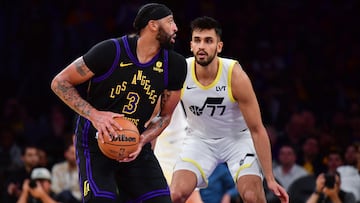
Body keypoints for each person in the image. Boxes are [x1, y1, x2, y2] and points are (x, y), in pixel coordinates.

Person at [50, 2, 186, 203]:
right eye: (170, 21)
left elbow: (165, 117)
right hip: (95, 141)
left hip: (133, 142)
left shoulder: (174, 65)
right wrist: (95, 115)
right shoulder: (111, 51)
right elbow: (59, 82)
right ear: (153, 25)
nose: (176, 28)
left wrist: (142, 140)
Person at [170, 16, 288, 203]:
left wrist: (270, 178)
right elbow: (164, 116)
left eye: (208, 41)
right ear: (191, 45)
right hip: (199, 139)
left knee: (252, 197)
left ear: (219, 46)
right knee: (175, 195)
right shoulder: (181, 70)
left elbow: (257, 129)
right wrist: (144, 139)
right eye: (197, 40)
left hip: (237, 140)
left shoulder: (235, 75)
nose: (202, 46)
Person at [51, 139, 81, 203]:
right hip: (60, 199)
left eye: (77, 153)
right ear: (66, 154)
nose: (75, 156)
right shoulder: (57, 168)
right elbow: (54, 187)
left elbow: (83, 191)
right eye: (72, 153)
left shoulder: (82, 170)